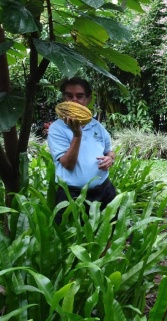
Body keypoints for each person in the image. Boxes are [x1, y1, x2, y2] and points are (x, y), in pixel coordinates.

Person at [48, 77, 117, 225]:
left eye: (79, 96)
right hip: (71, 195)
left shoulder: (97, 126)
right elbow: (67, 164)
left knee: (111, 235)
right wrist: (77, 135)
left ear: (88, 99)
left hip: (104, 190)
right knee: (73, 243)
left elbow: (109, 151)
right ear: (64, 98)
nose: (74, 100)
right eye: (69, 96)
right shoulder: (56, 129)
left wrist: (110, 159)